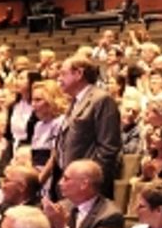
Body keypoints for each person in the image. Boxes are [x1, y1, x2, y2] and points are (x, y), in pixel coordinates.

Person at [46, 56, 121, 196]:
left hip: (87, 187)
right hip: (70, 183)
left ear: (79, 74)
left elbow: (108, 148)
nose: (59, 78)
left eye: (63, 73)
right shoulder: (75, 101)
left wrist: (91, 181)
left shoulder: (101, 99)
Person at [43, 158, 125, 228]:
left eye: (66, 179)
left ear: (84, 184)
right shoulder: (63, 206)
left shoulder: (110, 216)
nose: (60, 183)